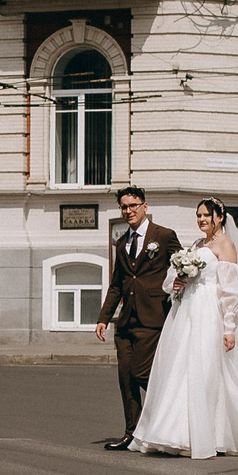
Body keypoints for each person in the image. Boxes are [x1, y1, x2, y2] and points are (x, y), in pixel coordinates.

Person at [128, 199, 238, 458]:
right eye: (198, 215)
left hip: (211, 315)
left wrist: (229, 328)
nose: (202, 219)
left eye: (206, 215)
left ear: (219, 216)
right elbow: (172, 278)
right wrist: (178, 281)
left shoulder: (226, 245)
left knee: (208, 372)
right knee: (182, 370)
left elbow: (231, 291)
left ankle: (210, 436)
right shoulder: (197, 245)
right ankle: (178, 434)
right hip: (187, 313)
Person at [94, 186, 177, 450]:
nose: (128, 211)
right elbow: (117, 283)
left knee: (142, 372)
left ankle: (169, 420)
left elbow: (184, 266)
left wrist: (178, 287)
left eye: (133, 205)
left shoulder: (163, 236)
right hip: (126, 321)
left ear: (145, 206)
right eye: (124, 207)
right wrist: (104, 318)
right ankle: (132, 432)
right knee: (125, 378)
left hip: (153, 318)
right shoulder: (121, 243)